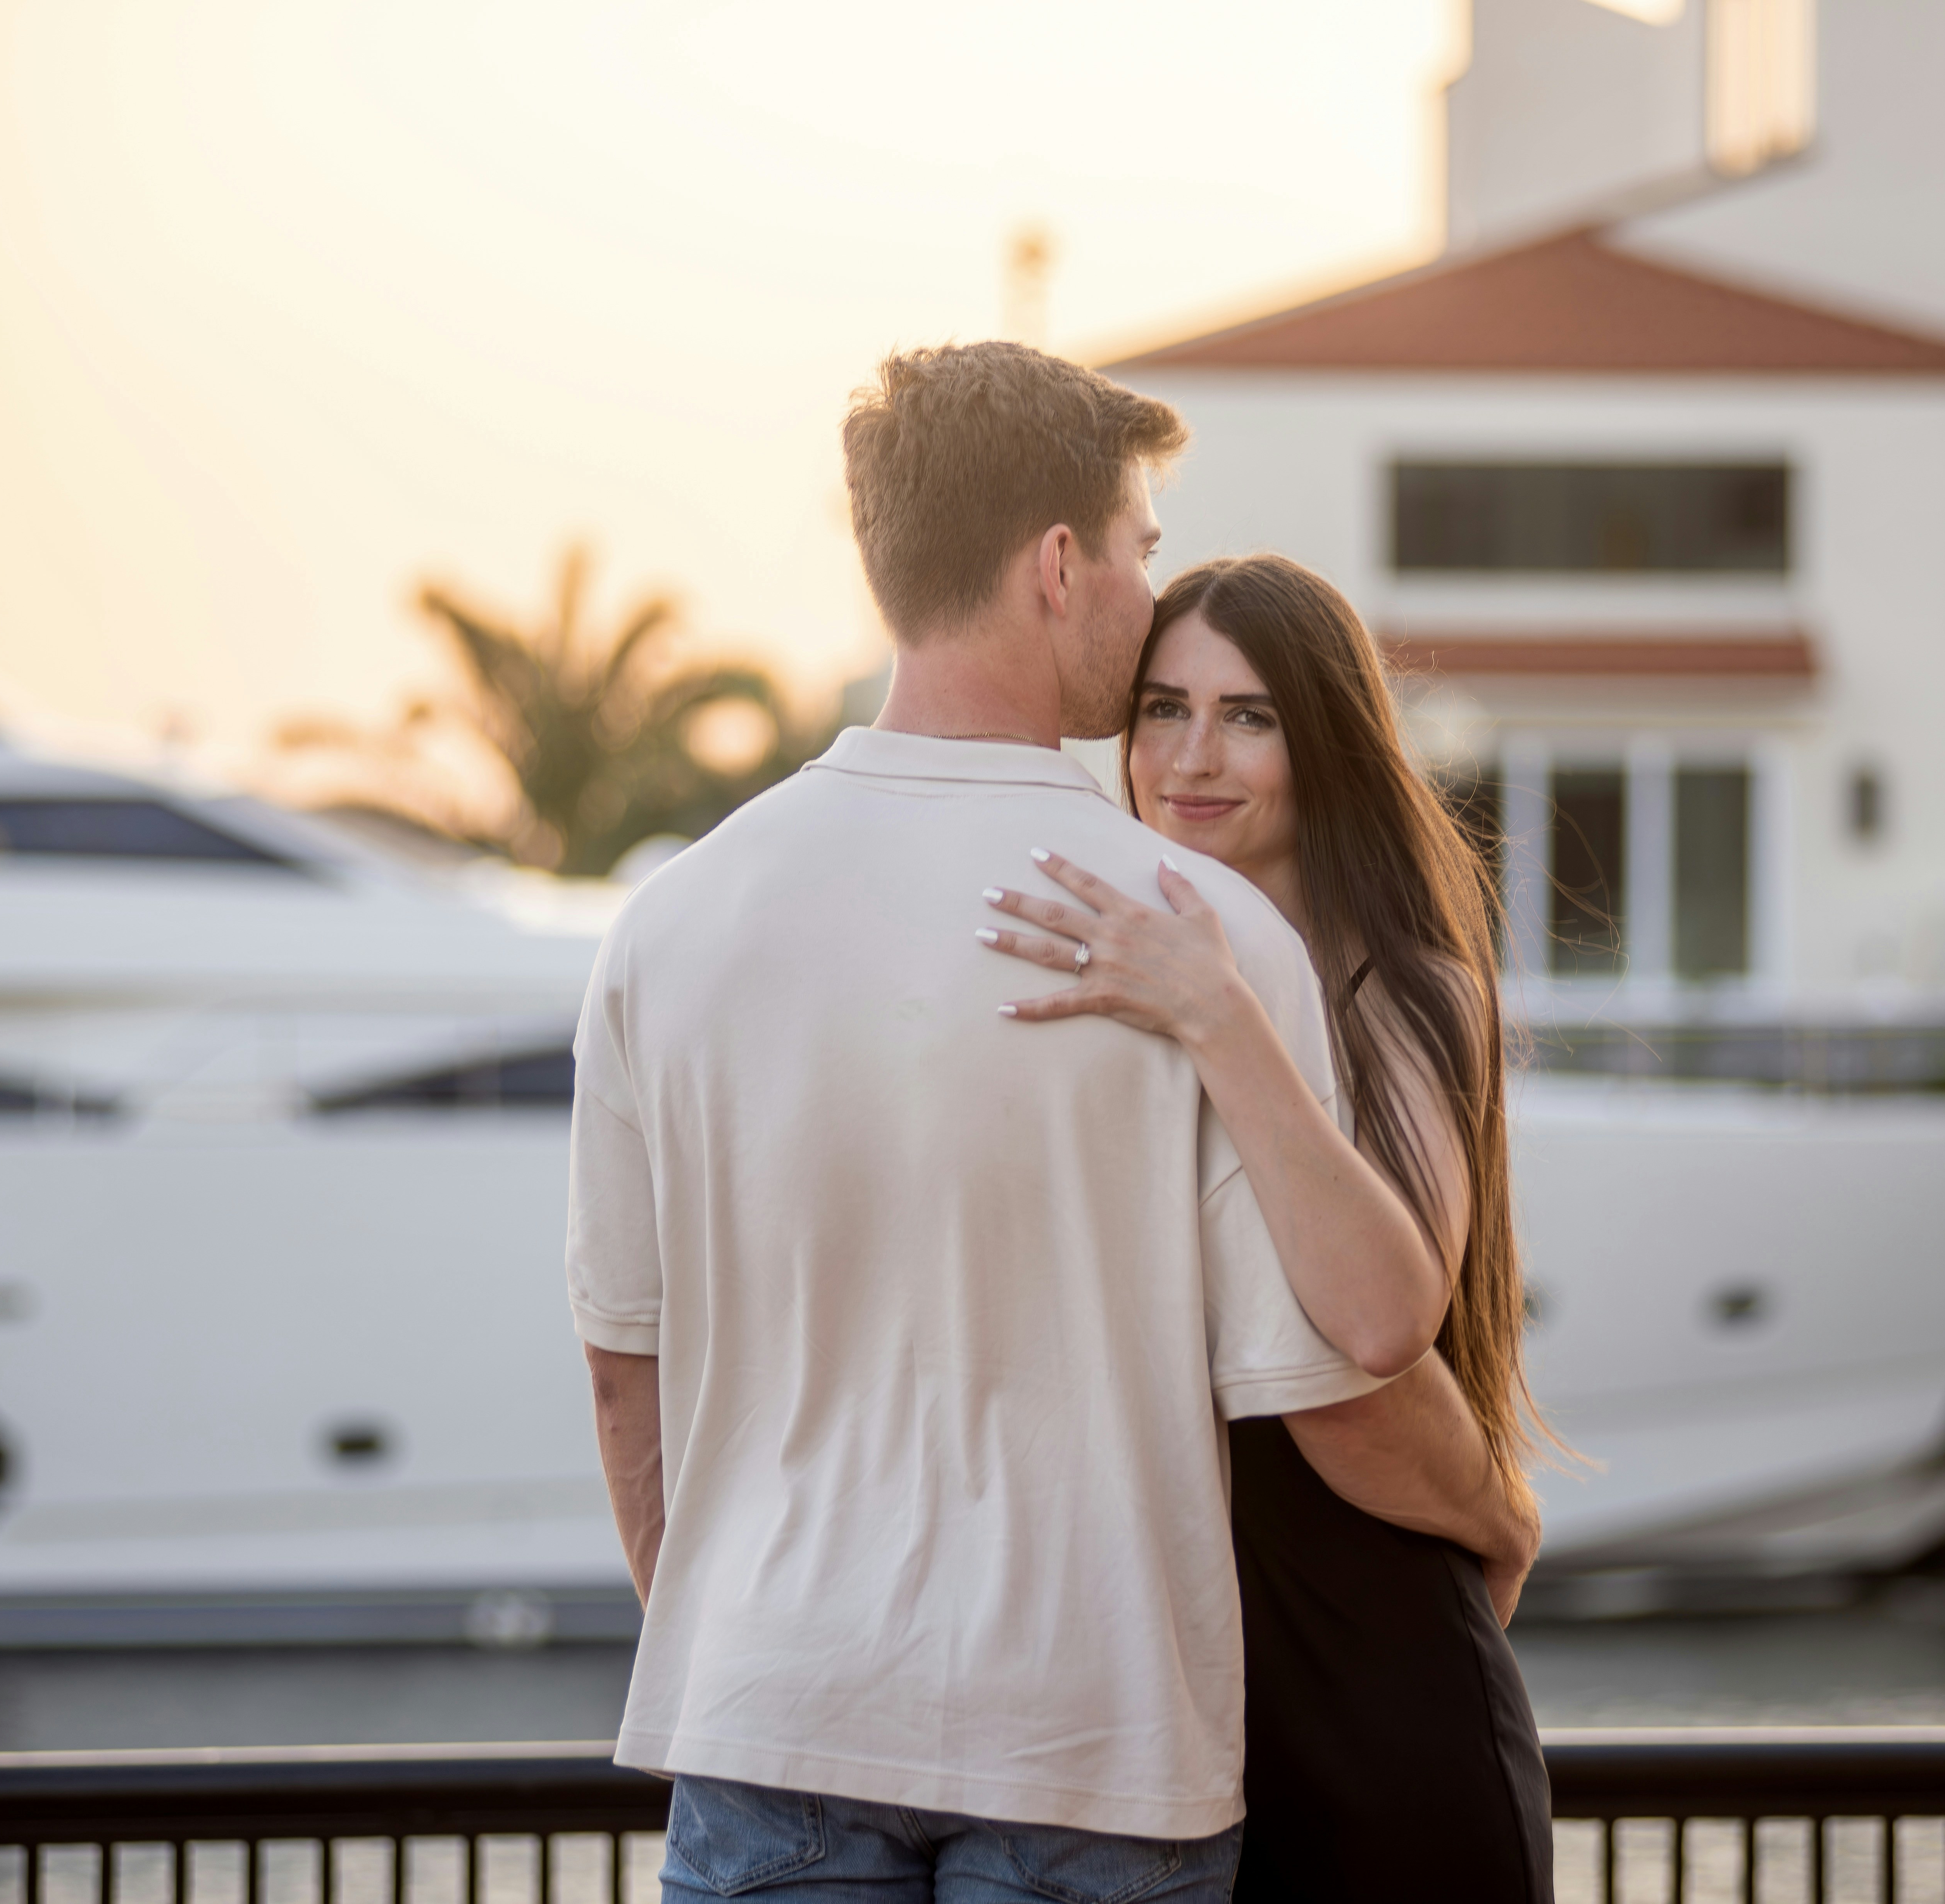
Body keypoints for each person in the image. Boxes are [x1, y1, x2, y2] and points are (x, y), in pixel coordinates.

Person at [567, 343, 1538, 1904]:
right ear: (1059, 562)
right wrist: (1496, 1520)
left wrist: (749, 1643)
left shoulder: (668, 921)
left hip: (770, 1718)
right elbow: (1336, 1371)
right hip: (1092, 1745)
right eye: (1144, 548)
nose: (1150, 589)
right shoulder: (1196, 929)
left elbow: (627, 1372)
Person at [978, 554, 1557, 1903]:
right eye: (1162, 709)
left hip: (1370, 1683)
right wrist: (1498, 1514)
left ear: (1327, 742)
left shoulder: (1403, 994)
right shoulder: (1079, 976)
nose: (1192, 758)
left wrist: (1220, 1016)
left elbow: (1374, 1333)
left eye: (1250, 717)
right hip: (1133, 1713)